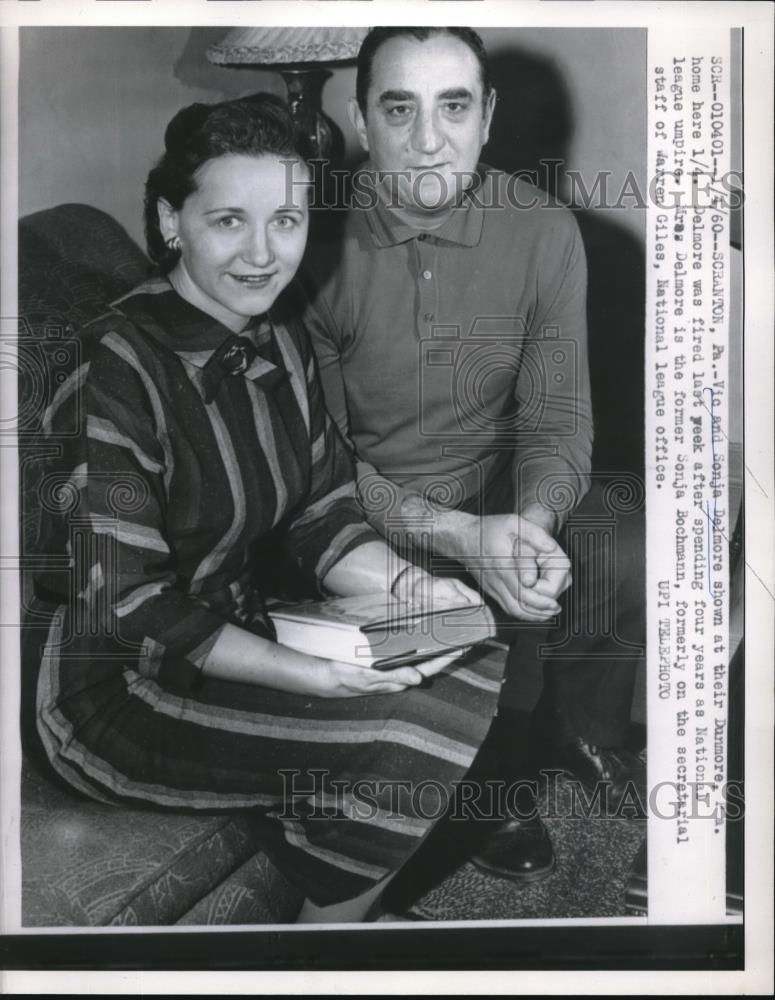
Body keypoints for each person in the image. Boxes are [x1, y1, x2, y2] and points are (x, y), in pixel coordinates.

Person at [20, 95, 509, 924]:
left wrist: (411, 589)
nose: (261, 254)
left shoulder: (276, 334)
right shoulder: (112, 366)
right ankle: (322, 949)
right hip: (120, 694)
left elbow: (321, 508)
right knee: (410, 722)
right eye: (227, 222)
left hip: (253, 626)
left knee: (466, 637)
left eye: (284, 220)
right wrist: (310, 675)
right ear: (173, 222)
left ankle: (342, 889)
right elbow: (132, 602)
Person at [301, 26, 646, 882]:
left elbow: (558, 414)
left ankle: (573, 725)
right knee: (429, 602)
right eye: (398, 108)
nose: (427, 139)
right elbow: (317, 467)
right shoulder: (304, 244)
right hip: (360, 508)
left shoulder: (544, 229)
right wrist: (456, 539)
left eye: (452, 106)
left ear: (486, 115)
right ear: (359, 117)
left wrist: (528, 523)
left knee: (630, 534)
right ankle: (495, 768)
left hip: (494, 489)